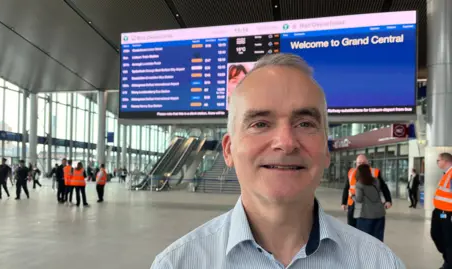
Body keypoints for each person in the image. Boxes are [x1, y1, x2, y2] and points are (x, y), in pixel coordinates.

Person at [150, 53, 404, 268]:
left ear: (326, 151)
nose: (286, 142)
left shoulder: (380, 263)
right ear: (228, 150)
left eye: (305, 123)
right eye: (260, 124)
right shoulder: (178, 263)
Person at [341, 154, 392, 228]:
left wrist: (388, 200)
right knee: (351, 228)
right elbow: (346, 188)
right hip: (352, 205)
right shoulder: (351, 173)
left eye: (364, 163)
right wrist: (343, 202)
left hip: (367, 207)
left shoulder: (375, 173)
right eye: (359, 163)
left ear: (368, 163)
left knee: (364, 230)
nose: (361, 165)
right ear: (356, 164)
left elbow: (384, 187)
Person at [354, 164, 387, 242]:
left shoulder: (359, 184)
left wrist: (352, 196)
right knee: (378, 240)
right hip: (380, 214)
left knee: (365, 240)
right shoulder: (376, 181)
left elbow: (359, 199)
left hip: (366, 216)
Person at [431, 152, 452, 269]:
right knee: (436, 234)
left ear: (445, 161)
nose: (437, 162)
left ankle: (449, 263)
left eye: (438, 160)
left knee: (447, 238)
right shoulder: (446, 174)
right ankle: (448, 259)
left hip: (447, 213)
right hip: (439, 210)